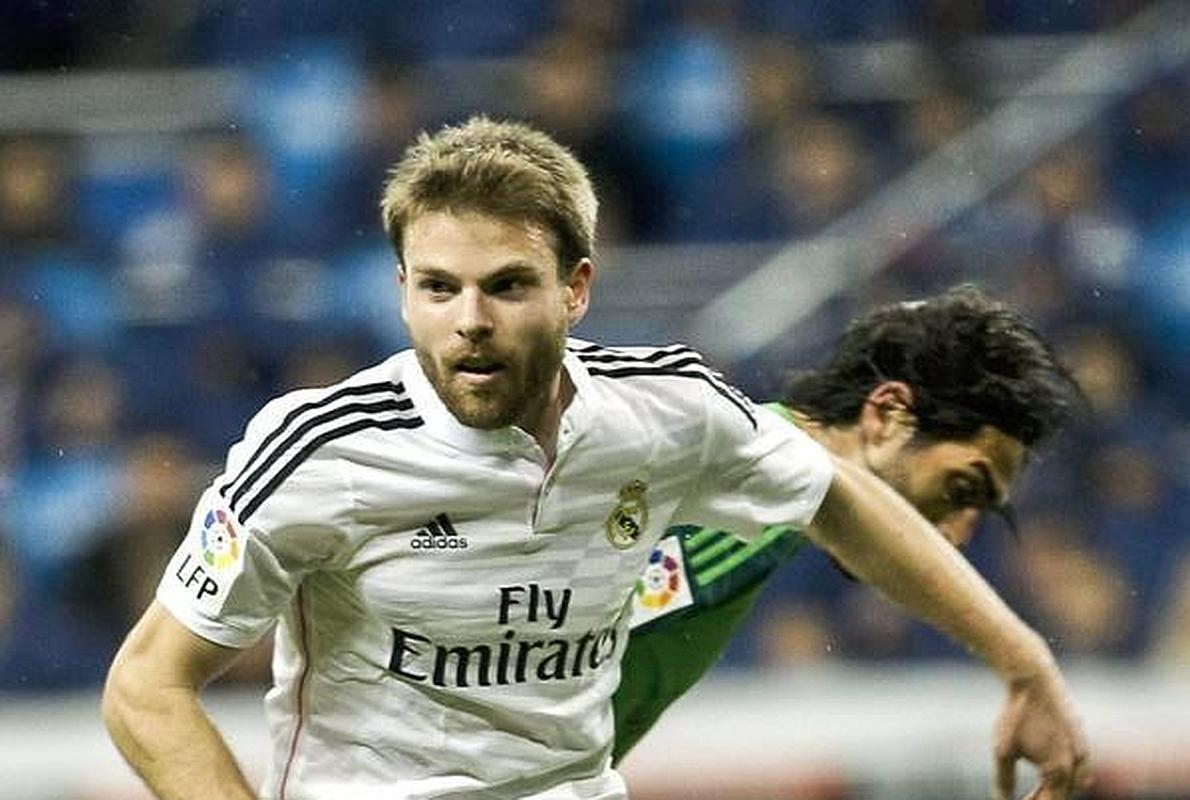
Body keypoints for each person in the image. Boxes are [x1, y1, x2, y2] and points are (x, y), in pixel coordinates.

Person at [102, 117, 1089, 800]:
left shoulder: (667, 420)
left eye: (505, 285)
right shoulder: (322, 448)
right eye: (438, 288)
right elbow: (145, 685)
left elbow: (829, 491)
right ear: (400, 288)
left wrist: (1022, 661)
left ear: (576, 288)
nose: (470, 321)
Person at [612, 285, 1086, 763]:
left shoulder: (760, 512)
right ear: (887, 415)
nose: (955, 537)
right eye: (960, 491)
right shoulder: (740, 490)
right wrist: (1027, 668)